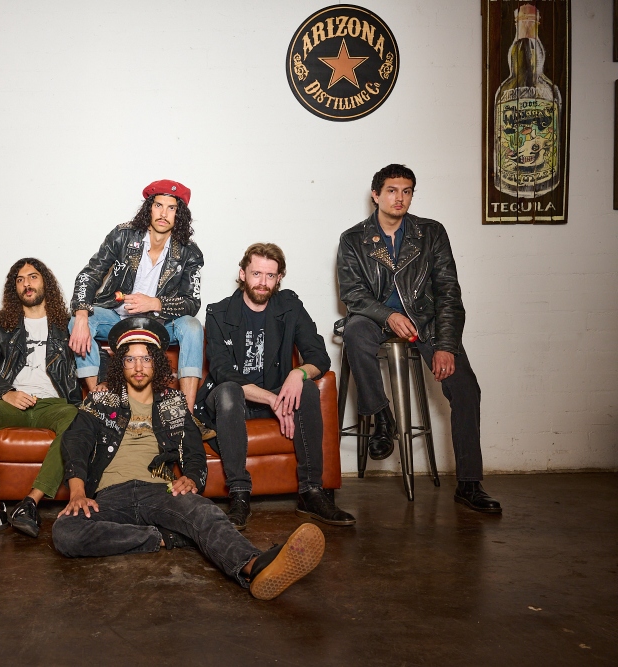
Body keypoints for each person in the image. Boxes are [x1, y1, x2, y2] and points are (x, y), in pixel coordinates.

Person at [53, 317, 326, 601]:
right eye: (130, 359)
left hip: (159, 491)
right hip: (109, 494)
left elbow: (194, 450)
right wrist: (77, 492)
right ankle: (162, 537)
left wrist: (192, 478)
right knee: (65, 531)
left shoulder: (173, 401)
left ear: (156, 363)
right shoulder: (102, 399)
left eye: (145, 359)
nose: (137, 367)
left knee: (206, 512)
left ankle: (256, 566)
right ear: (120, 364)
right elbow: (76, 441)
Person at [336, 164, 501, 513]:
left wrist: (445, 346)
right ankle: (382, 419)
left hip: (424, 322)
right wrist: (389, 315)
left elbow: (448, 293)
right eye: (392, 190)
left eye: (407, 191)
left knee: (466, 388)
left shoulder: (431, 233)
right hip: (376, 319)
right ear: (375, 194)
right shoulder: (354, 239)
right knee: (354, 330)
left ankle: (470, 484)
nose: (400, 198)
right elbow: (353, 294)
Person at [194, 243, 356, 529]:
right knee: (229, 391)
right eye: (256, 274)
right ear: (243, 274)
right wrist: (272, 399)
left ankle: (311, 492)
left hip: (280, 399)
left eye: (270, 275)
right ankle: (240, 494)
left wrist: (298, 374)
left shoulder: (290, 307)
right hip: (236, 404)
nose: (262, 282)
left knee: (306, 387)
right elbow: (222, 372)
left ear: (279, 277)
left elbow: (319, 356)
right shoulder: (219, 313)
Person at [0, 259, 82, 540]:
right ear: (13, 288)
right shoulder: (1, 323)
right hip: (12, 402)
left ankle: (30, 504)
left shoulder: (66, 323)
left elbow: (88, 355)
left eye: (33, 276)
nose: (27, 283)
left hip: (53, 404)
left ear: (45, 283)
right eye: (19, 279)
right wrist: (6, 392)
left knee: (77, 418)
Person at [68, 180, 205, 412]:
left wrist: (155, 303)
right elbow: (89, 275)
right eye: (158, 205)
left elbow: (192, 303)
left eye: (171, 208)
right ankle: (98, 404)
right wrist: (81, 315)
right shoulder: (122, 236)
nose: (163, 214)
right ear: (149, 208)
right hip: (115, 318)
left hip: (160, 325)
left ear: (179, 214)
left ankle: (187, 414)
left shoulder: (190, 252)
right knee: (77, 320)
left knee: (192, 326)